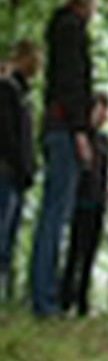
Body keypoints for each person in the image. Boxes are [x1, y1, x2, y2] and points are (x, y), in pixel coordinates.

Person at [31, 0, 97, 318]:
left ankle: (44, 293)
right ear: (86, 3)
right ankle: (43, 298)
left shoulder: (60, 30)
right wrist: (80, 129)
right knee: (55, 213)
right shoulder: (72, 31)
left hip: (55, 126)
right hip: (63, 128)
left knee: (53, 211)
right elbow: (72, 84)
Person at [59, 93, 108, 317]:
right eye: (99, 109)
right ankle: (65, 296)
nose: (103, 115)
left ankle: (82, 300)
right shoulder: (81, 137)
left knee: (90, 252)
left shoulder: (104, 141)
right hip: (80, 200)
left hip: (98, 201)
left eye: (105, 111)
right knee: (74, 250)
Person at [0, 40, 41, 301]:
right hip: (6, 171)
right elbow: (7, 133)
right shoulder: (7, 90)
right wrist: (18, 162)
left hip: (18, 175)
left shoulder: (23, 96)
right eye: (35, 59)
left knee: (9, 235)